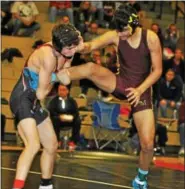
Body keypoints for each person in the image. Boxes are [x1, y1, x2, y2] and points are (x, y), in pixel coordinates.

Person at [61, 4, 162, 189]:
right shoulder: (115, 34)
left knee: (147, 145)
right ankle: (54, 75)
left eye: (124, 31)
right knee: (91, 68)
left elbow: (158, 71)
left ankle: (141, 178)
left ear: (134, 24)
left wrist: (139, 90)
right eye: (119, 31)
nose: (121, 35)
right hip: (120, 83)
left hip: (141, 92)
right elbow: (91, 46)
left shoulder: (151, 38)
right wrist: (81, 46)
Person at [9, 23, 82, 189]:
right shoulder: (48, 57)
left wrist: (65, 73)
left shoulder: (68, 47)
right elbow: (42, 94)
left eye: (74, 47)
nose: (73, 51)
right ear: (59, 46)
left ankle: (46, 186)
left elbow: (70, 63)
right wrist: (57, 77)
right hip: (23, 97)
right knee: (33, 144)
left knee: (51, 145)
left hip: (34, 101)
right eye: (70, 48)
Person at [48, 83, 81, 149]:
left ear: (67, 91)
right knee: (54, 119)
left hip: (70, 120)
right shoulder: (54, 101)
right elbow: (51, 112)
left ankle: (73, 141)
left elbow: (76, 112)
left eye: (63, 90)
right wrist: (60, 117)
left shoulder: (72, 101)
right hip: (58, 120)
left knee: (78, 120)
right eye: (60, 90)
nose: (61, 92)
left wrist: (71, 117)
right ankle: (57, 141)